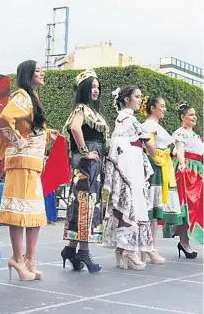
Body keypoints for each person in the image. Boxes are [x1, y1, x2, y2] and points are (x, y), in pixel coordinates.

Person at [0, 60, 58, 281]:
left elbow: (27, 130)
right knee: (20, 212)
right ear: (28, 74)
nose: (43, 73)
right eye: (38, 70)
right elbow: (3, 122)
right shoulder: (21, 97)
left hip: (32, 165)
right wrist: (19, 144)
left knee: (33, 214)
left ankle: (29, 260)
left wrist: (47, 136)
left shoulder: (32, 99)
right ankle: (18, 259)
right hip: (22, 164)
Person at [60, 69, 110, 273]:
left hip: (92, 164)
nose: (96, 90)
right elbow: (75, 128)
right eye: (92, 86)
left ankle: (71, 249)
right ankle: (83, 250)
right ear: (83, 89)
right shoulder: (81, 109)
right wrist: (85, 151)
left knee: (86, 202)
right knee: (86, 204)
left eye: (98, 87)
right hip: (86, 164)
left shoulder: (92, 111)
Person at [102, 86, 156, 271]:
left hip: (130, 163)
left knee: (131, 203)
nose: (140, 100)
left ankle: (123, 248)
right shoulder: (130, 120)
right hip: (130, 165)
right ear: (127, 99)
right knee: (133, 203)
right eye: (137, 96)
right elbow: (150, 147)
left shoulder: (122, 119)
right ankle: (128, 249)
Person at [141, 96, 182, 264]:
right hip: (154, 167)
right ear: (153, 108)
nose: (164, 109)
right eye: (162, 106)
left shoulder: (155, 125)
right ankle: (147, 247)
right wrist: (158, 157)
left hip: (160, 167)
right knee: (150, 209)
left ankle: (151, 247)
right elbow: (149, 146)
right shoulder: (149, 126)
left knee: (154, 210)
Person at [167, 103, 203, 257]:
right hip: (186, 171)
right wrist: (182, 164)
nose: (194, 117)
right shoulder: (180, 133)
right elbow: (180, 148)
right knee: (185, 207)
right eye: (191, 114)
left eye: (195, 114)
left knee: (195, 208)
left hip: (197, 171)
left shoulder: (194, 135)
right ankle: (184, 241)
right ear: (183, 117)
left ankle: (185, 241)